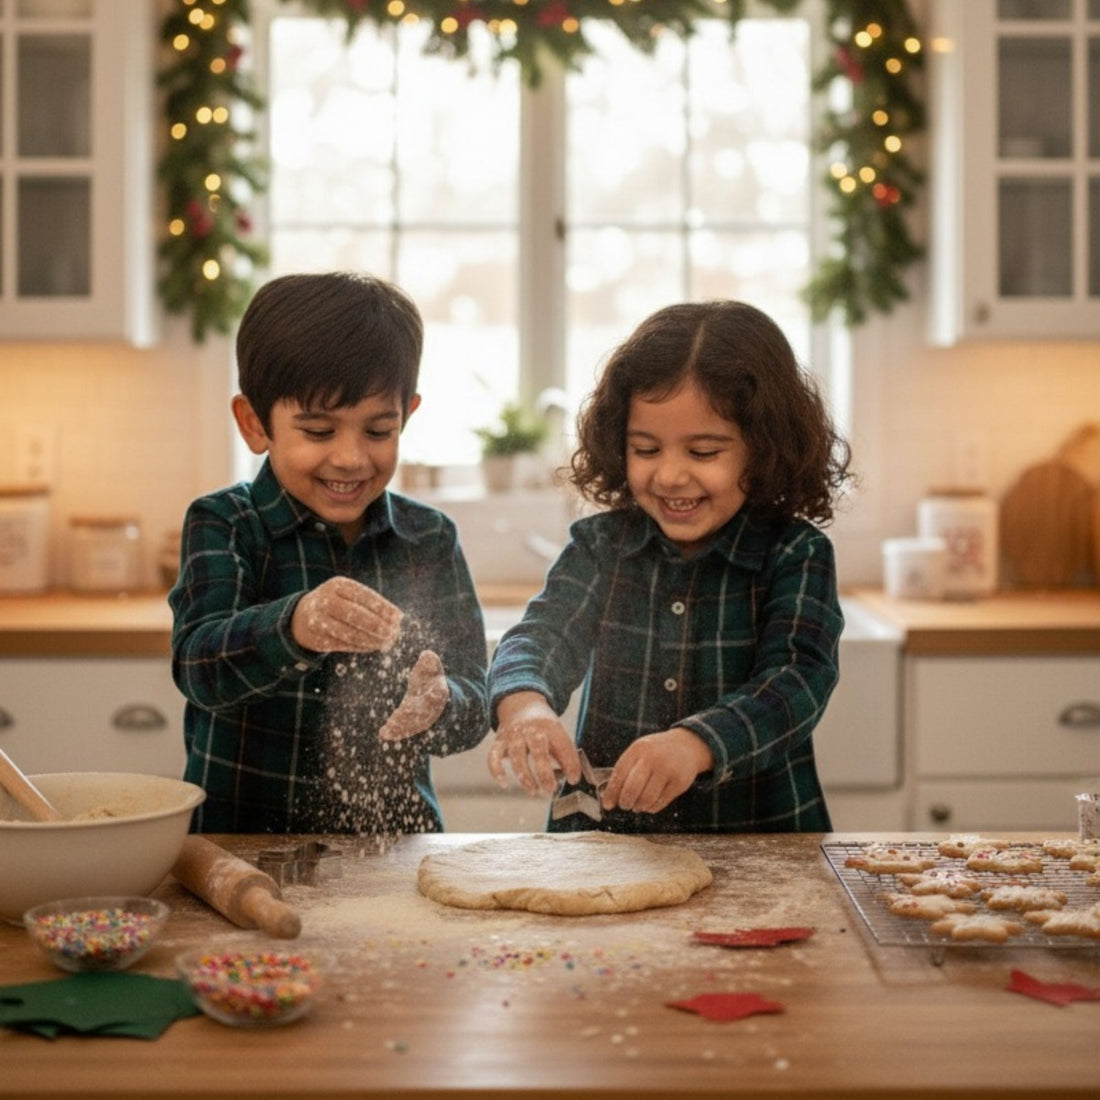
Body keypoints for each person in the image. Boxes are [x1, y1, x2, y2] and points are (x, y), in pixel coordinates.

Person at [488, 300, 852, 833]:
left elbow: (796, 682)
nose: (670, 475)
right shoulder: (600, 548)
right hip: (603, 848)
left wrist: (697, 743)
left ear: (765, 449)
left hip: (757, 847)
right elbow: (540, 637)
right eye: (646, 448)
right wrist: (524, 706)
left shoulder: (795, 555)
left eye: (703, 452)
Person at [169, 271, 489, 834]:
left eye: (377, 431)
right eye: (318, 431)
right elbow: (199, 667)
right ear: (253, 422)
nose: (350, 458)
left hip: (395, 851)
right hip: (242, 845)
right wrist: (293, 625)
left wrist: (441, 702)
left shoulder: (429, 539)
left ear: (407, 416)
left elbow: (474, 699)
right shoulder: (225, 523)